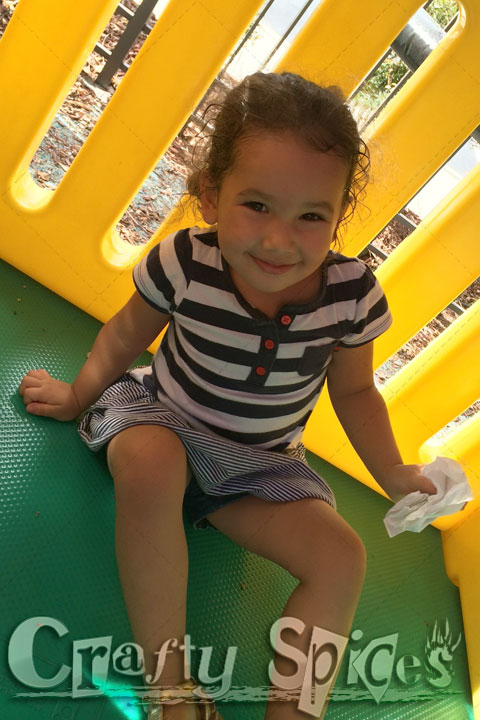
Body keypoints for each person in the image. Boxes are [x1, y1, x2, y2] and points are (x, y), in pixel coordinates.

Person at [19, 71, 437, 719]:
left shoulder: (351, 297)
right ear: (211, 196)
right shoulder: (185, 262)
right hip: (165, 421)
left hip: (259, 469)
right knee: (154, 462)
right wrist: (77, 395)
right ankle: (172, 689)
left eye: (311, 217)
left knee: (343, 556)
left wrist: (395, 472)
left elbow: (355, 394)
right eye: (258, 206)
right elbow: (125, 333)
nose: (279, 240)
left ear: (339, 217)